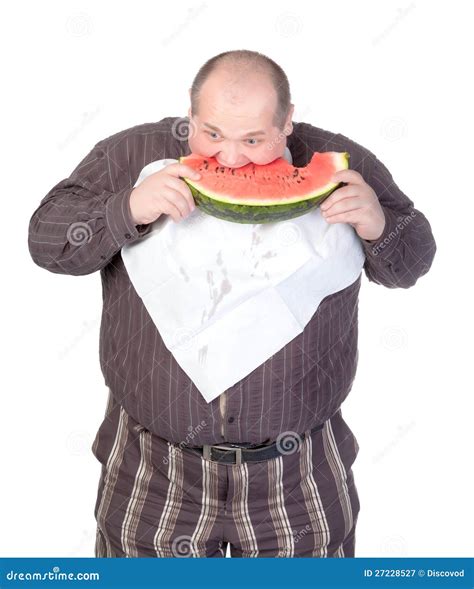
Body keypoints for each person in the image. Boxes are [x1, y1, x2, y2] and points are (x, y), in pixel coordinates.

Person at [27, 49, 437, 558]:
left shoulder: (338, 160)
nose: (231, 160)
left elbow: (415, 259)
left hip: (299, 469)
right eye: (212, 134)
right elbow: (46, 243)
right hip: (152, 466)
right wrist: (127, 207)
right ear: (190, 115)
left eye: (253, 139)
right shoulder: (130, 155)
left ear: (287, 122)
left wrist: (378, 225)